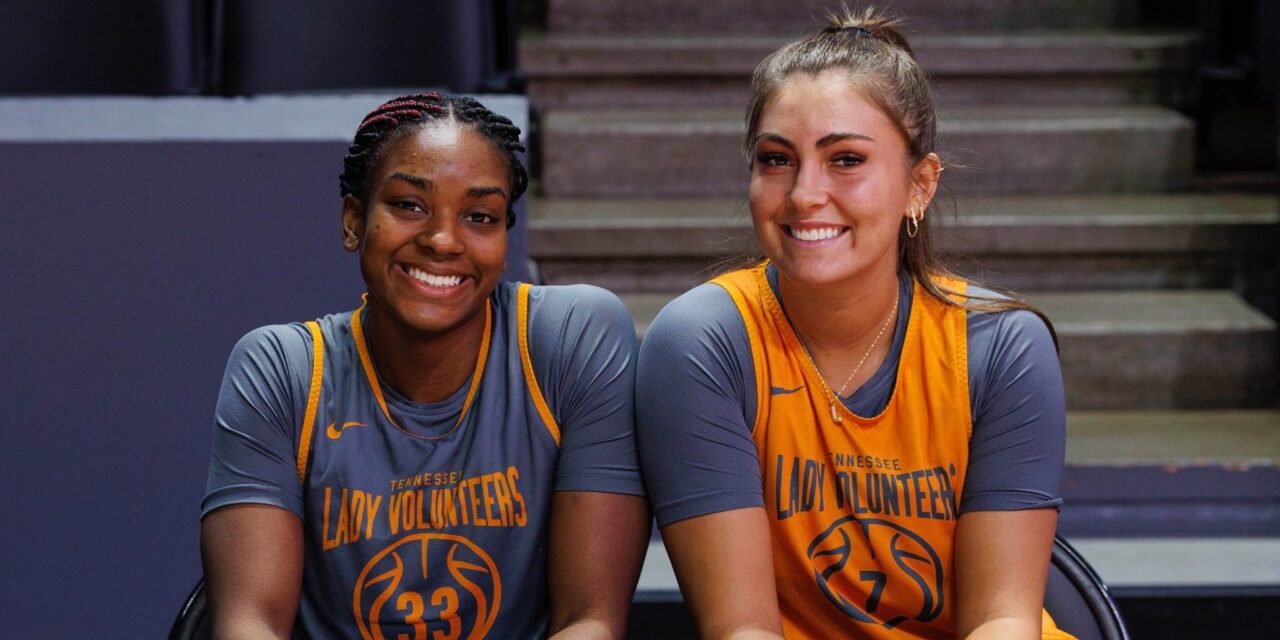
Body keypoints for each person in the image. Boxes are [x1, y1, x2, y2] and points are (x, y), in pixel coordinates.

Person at [636, 8, 1074, 639]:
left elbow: (1003, 620)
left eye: (845, 159)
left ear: (919, 185)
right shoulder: (702, 343)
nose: (804, 194)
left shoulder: (1001, 346)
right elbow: (741, 629)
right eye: (776, 159)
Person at [200, 92, 649, 639]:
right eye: (410, 205)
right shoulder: (283, 371)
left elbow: (591, 621)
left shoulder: (571, 338)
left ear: (505, 240)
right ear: (352, 220)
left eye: (479, 216)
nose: (442, 240)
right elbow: (250, 624)